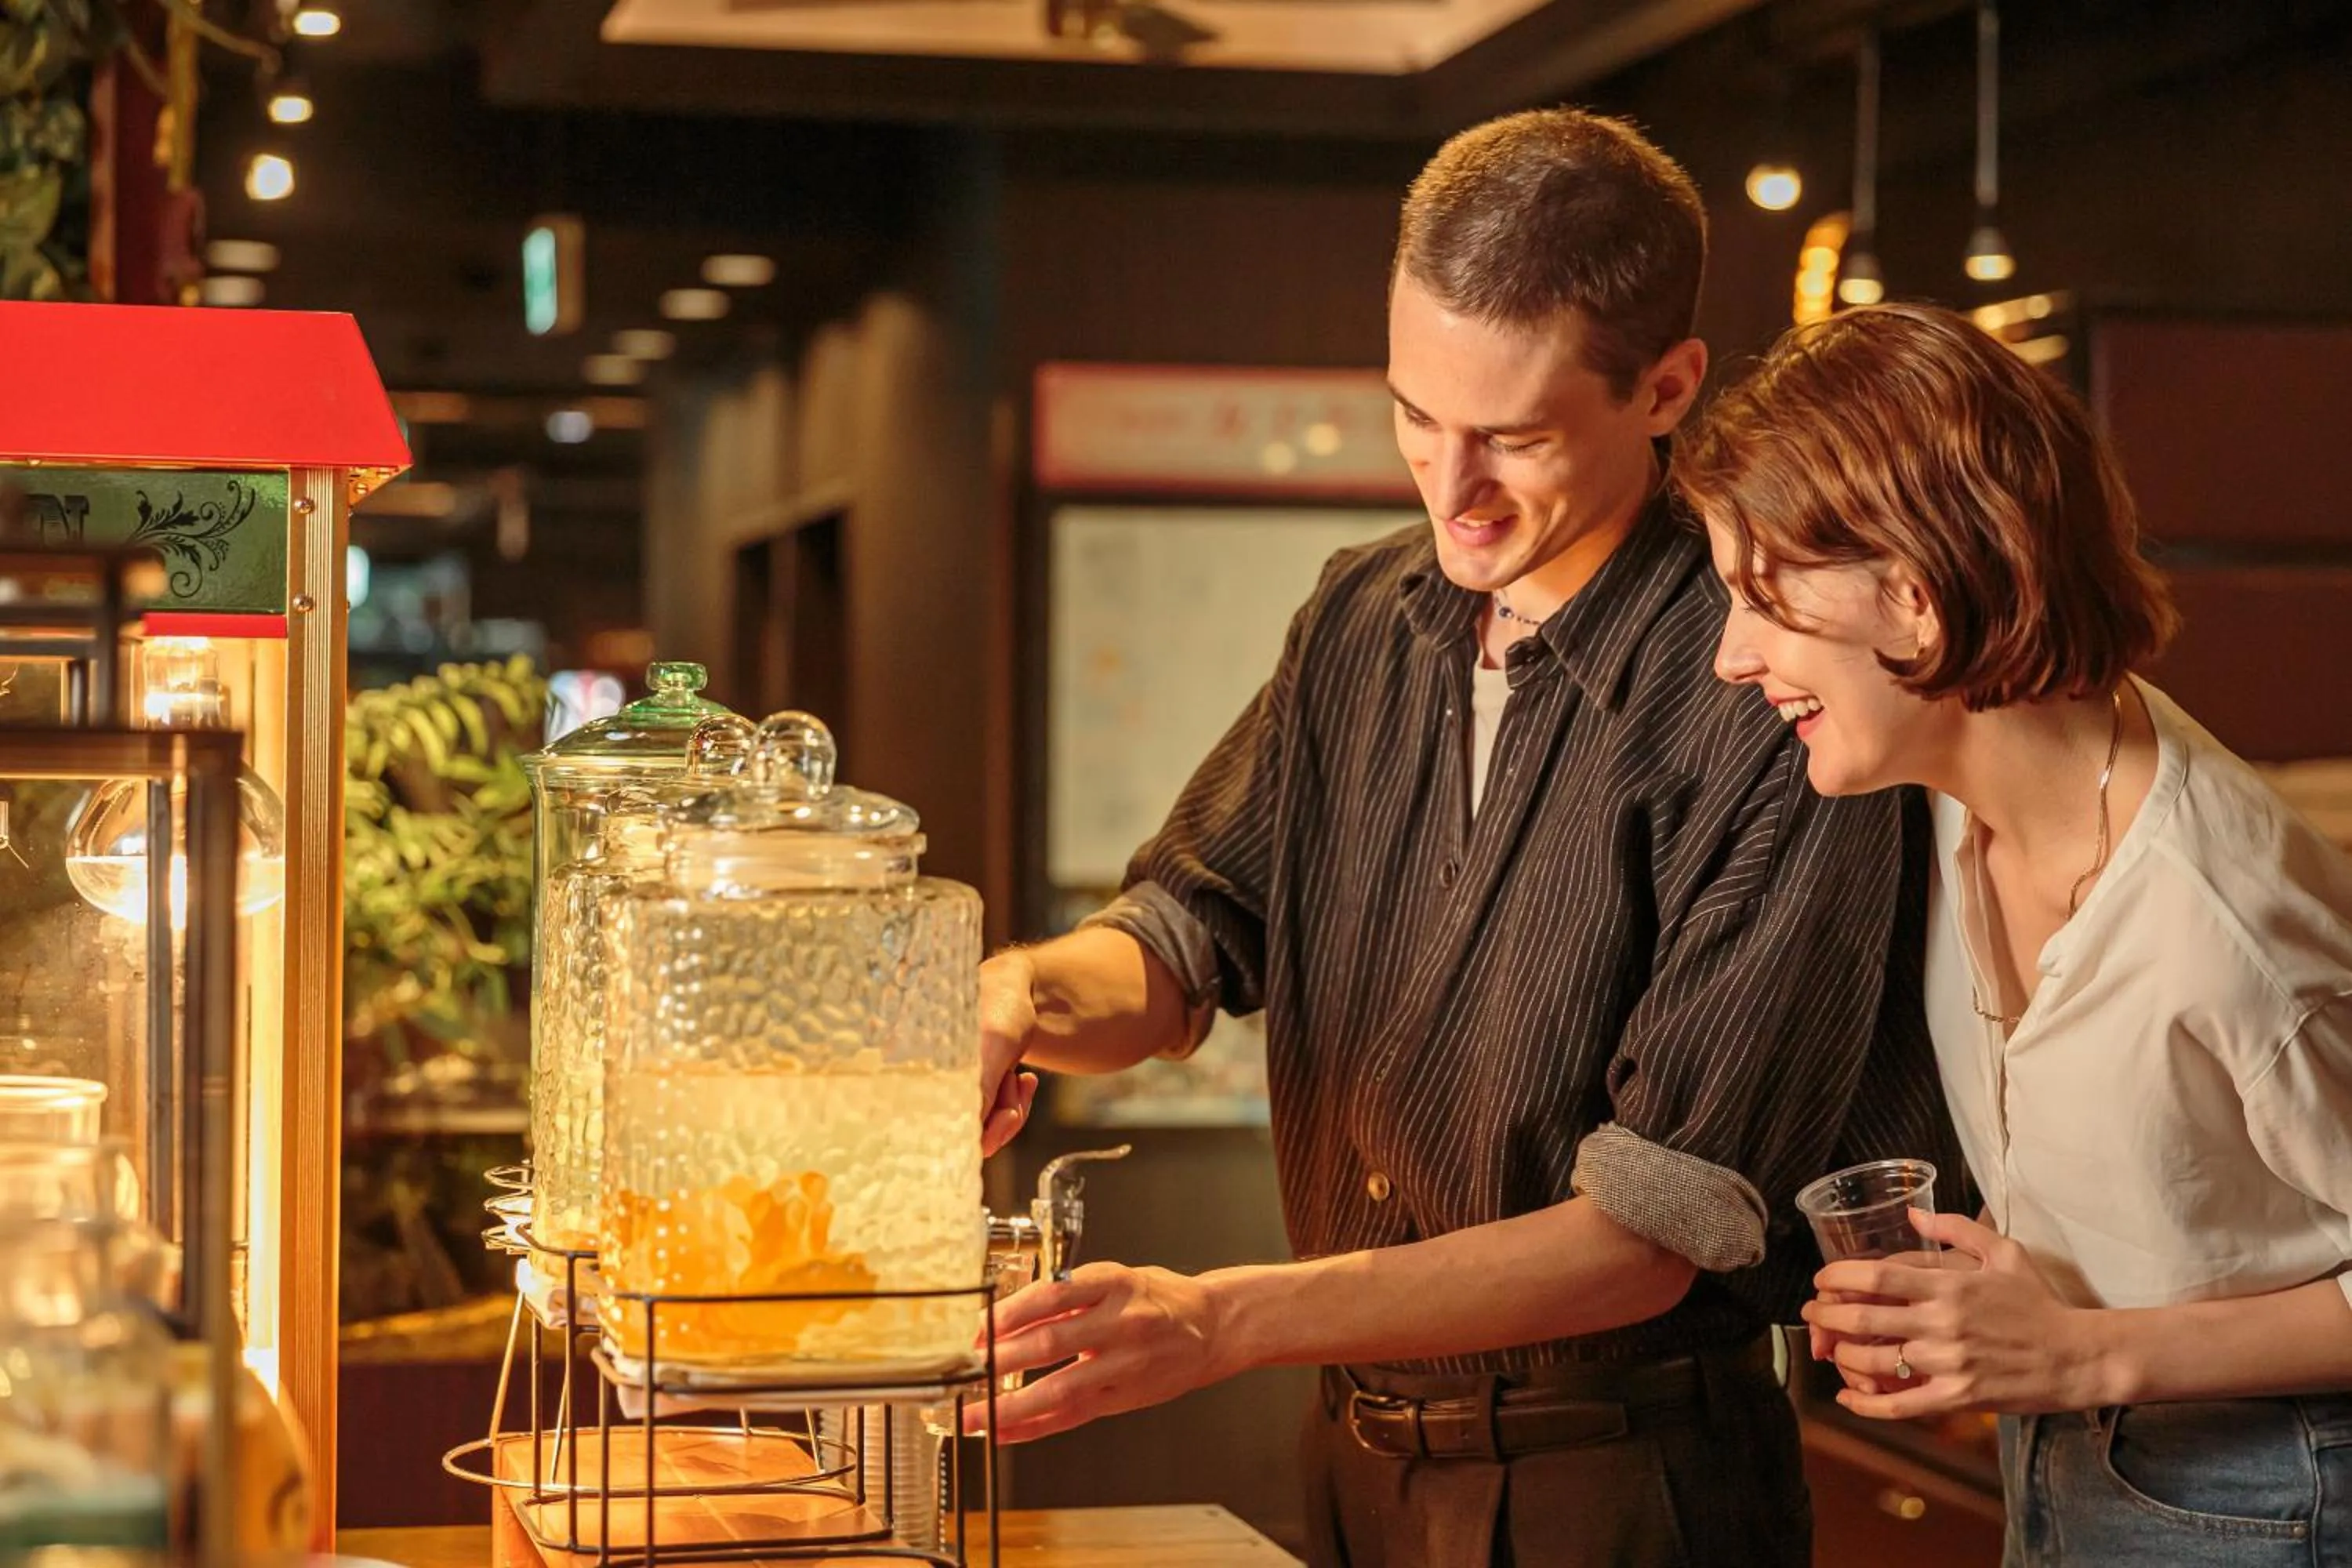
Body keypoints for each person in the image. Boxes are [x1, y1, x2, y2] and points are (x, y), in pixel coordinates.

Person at [971, 109, 1953, 1567]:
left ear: (1668, 387)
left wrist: (1224, 1320)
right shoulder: (1361, 618)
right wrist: (1019, 997)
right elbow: (1186, 935)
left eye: (1515, 438)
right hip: (1355, 1452)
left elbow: (1651, 1229)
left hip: (1626, 1476)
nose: (1451, 490)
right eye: (1415, 417)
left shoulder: (1770, 687)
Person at [1682, 300, 2352, 1566]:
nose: (1731, 656)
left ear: (1914, 603)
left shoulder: (2226, 925)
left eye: (1761, 599)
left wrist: (2086, 1351)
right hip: (2063, 1453)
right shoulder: (1949, 792)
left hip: (2268, 1497)